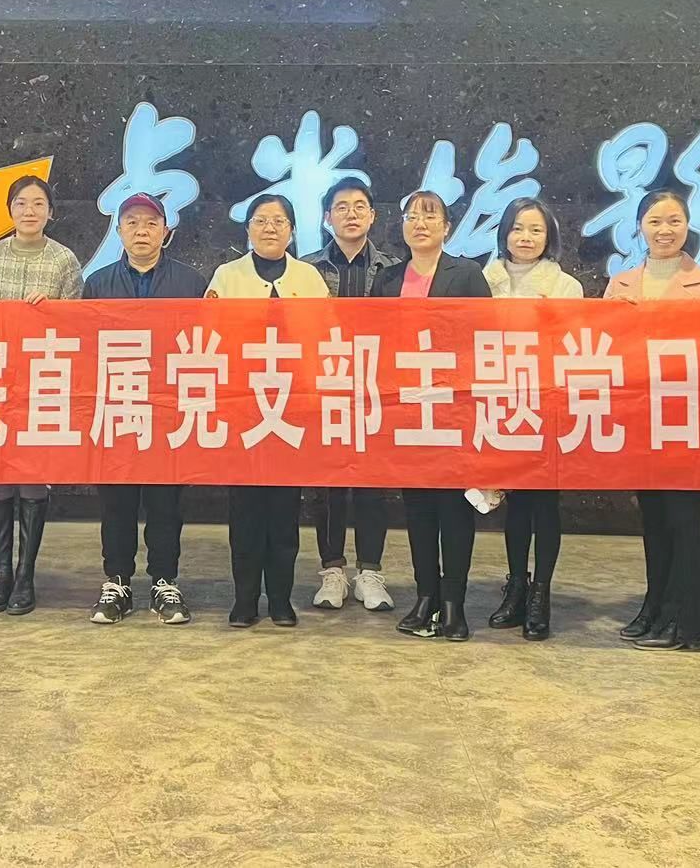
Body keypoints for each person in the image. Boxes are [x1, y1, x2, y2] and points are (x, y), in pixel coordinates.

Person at [605, 189, 700, 651]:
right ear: (640, 227)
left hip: (687, 418)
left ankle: (689, 621)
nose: (665, 230)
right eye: (655, 221)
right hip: (640, 417)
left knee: (685, 518)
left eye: (674, 221)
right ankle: (655, 606)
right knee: (653, 518)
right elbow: (604, 349)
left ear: (688, 225)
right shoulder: (620, 285)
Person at [371, 189, 493, 642]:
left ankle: (453, 603)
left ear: (447, 226)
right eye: (411, 216)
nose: (420, 223)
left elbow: (486, 340)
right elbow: (376, 342)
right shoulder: (388, 280)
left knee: (453, 509)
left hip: (454, 410)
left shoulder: (468, 274)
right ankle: (426, 597)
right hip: (407, 409)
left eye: (430, 216)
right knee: (418, 508)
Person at [83, 193, 207, 626]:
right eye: (132, 222)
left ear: (165, 233)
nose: (142, 231)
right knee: (116, 501)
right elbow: (84, 348)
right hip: (116, 407)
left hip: (169, 411)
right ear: (119, 231)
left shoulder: (190, 284)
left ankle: (164, 581)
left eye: (151, 223)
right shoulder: (97, 284)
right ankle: (116, 582)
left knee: (165, 503)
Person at [207, 193, 328, 627]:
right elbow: (210, 337)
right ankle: (244, 599)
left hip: (293, 409)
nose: (270, 227)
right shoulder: (227, 276)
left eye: (279, 220)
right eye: (261, 220)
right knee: (244, 510)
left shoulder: (310, 278)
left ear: (292, 231)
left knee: (283, 510)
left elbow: (323, 338)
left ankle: (280, 599)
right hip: (243, 408)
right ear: (248, 230)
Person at [0, 175, 83, 616]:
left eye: (38, 203)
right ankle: (1, 573)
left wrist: (52, 312)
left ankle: (25, 575)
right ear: (10, 210)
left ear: (50, 212)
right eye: (21, 203)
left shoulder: (64, 259)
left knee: (33, 475)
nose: (29, 211)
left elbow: (79, 322)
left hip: (41, 382)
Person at [483, 196, 584, 641]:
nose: (525, 238)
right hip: (500, 404)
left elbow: (572, 348)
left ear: (550, 236)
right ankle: (516, 587)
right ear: (504, 232)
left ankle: (541, 591)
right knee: (516, 503)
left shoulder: (565, 287)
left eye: (536, 230)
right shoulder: (482, 280)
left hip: (547, 406)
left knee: (543, 502)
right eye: (518, 228)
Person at [301, 177, 398, 613]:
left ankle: (371, 572)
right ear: (327, 217)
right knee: (328, 485)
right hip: (324, 387)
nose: (351, 213)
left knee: (373, 483)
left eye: (360, 206)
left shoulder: (394, 270)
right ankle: (332, 570)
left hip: (377, 388)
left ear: (373, 216)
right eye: (341, 206)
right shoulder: (306, 270)